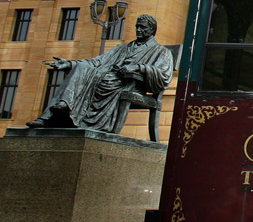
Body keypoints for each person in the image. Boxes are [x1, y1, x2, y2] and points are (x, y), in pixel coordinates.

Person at [27, 14, 174, 135]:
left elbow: (163, 75)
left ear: (152, 29)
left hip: (130, 85)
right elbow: (97, 61)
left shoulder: (162, 52)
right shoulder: (123, 48)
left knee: (102, 78)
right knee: (83, 67)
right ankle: (54, 112)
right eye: (137, 26)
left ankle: (67, 110)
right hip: (106, 79)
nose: (138, 30)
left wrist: (138, 68)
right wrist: (70, 64)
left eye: (142, 27)